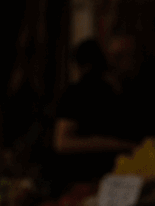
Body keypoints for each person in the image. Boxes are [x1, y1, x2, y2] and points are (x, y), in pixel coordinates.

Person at [52, 39, 137, 193]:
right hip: (92, 178)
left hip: (101, 178)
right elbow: (63, 142)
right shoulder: (83, 93)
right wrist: (120, 145)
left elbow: (62, 142)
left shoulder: (114, 92)